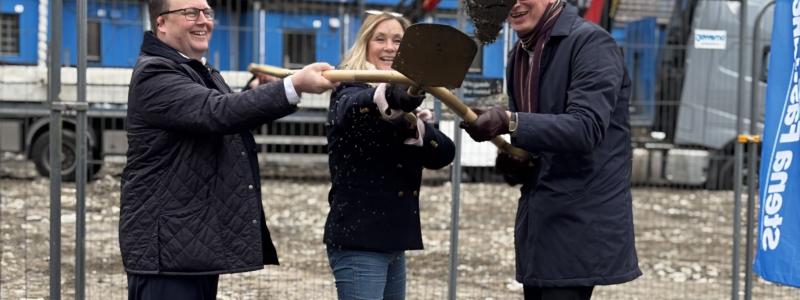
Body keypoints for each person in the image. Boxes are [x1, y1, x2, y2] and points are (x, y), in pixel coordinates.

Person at [118, 0, 338, 298]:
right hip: (166, 254)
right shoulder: (155, 73)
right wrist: (294, 85)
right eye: (190, 12)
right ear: (161, 23)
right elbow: (216, 111)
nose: (203, 20)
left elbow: (212, 117)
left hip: (187, 246)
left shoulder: (193, 69)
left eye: (207, 12)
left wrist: (255, 94)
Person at [459, 0, 641, 299]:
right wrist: (517, 159)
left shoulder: (591, 44)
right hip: (540, 222)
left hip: (578, 222)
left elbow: (586, 127)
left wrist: (510, 121)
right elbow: (537, 137)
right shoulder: (519, 54)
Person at [323, 12, 455, 300]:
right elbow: (354, 108)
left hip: (394, 240)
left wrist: (418, 126)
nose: (389, 46)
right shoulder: (348, 89)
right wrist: (391, 97)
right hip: (360, 239)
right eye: (380, 38)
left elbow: (444, 153)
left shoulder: (412, 100)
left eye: (398, 40)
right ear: (365, 44)